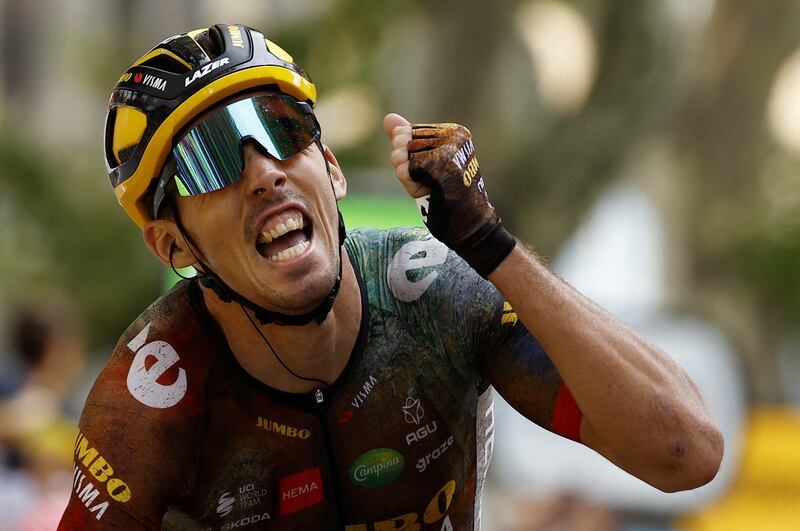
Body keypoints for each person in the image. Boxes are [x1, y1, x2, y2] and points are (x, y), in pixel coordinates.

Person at [59, 23, 722, 530]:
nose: (264, 173)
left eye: (284, 129)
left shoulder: (434, 296)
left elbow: (686, 451)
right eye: (210, 162)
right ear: (172, 243)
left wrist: (493, 246)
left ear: (334, 170)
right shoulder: (154, 395)